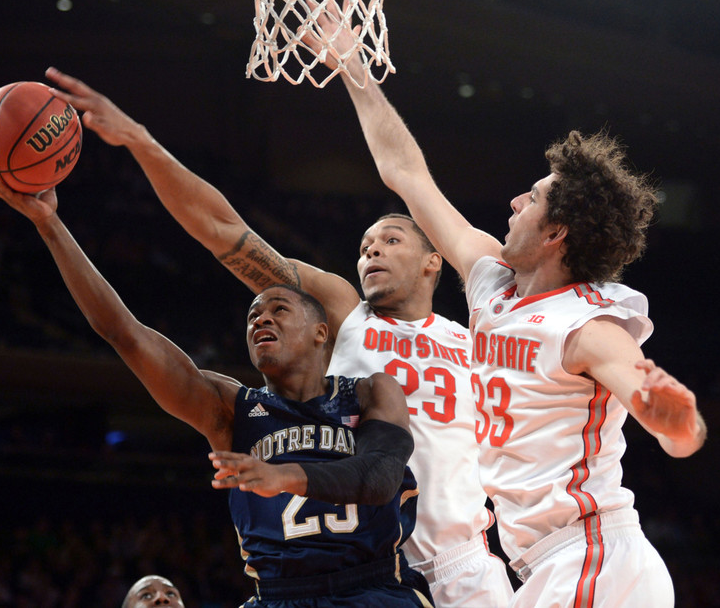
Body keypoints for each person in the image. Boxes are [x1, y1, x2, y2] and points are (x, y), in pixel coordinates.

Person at [44, 67, 514, 607]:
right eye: (364, 244)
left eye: (390, 238)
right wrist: (140, 142)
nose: (371, 251)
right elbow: (222, 230)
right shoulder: (342, 312)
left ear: (435, 260)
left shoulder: (475, 339)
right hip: (367, 556)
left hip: (464, 558)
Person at [305, 0, 708, 607]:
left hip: (594, 556)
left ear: (556, 234)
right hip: (547, 566)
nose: (517, 199)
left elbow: (671, 430)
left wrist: (679, 424)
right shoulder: (490, 280)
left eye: (536, 197)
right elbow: (405, 174)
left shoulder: (589, 327)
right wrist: (353, 66)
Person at [0, 164, 434, 608]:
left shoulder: (372, 392)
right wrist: (49, 223)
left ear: (320, 332)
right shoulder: (231, 409)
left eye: (278, 309)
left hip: (372, 587)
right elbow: (124, 332)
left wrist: (284, 476)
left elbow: (379, 479)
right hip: (278, 596)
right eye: (253, 316)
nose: (261, 319)